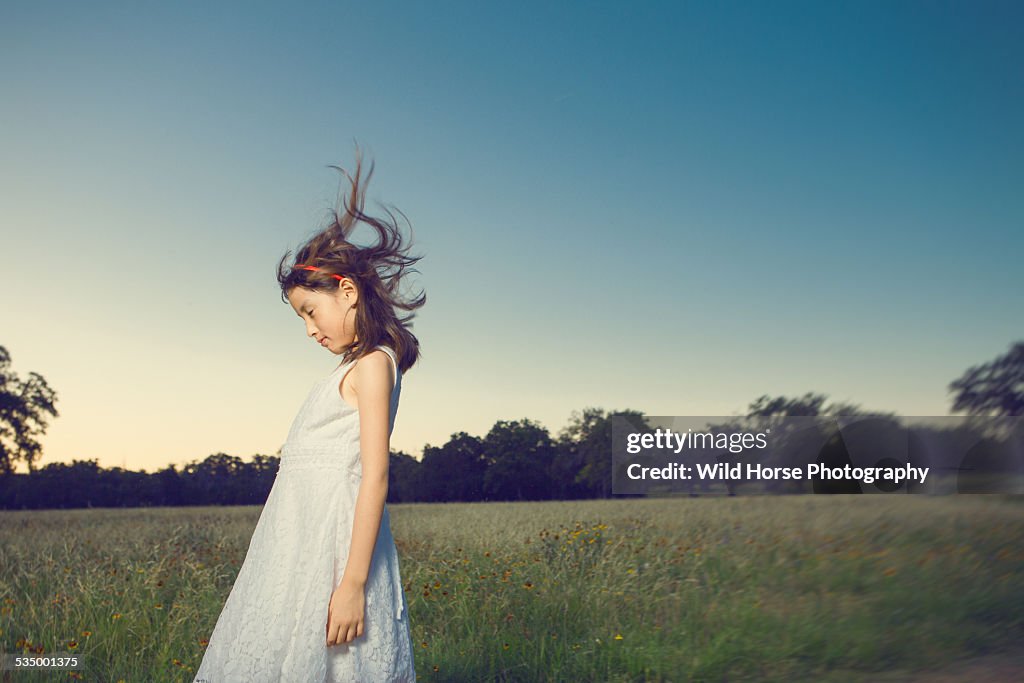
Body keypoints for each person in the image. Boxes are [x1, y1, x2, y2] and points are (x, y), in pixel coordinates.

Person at [194, 146, 424, 682]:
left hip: (332, 542)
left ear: (346, 292)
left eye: (310, 312)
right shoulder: (353, 367)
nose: (310, 330)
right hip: (296, 539)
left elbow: (375, 476)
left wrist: (352, 585)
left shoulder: (373, 366)